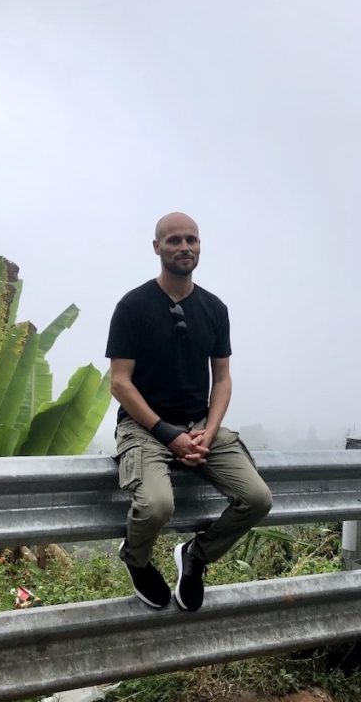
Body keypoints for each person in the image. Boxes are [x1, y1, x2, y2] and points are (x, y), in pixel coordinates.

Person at [106, 212, 273, 612]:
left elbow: (223, 378)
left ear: (200, 246)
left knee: (257, 499)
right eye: (174, 240)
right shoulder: (133, 306)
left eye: (191, 240)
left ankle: (195, 557)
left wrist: (209, 432)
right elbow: (120, 382)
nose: (184, 247)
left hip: (200, 426)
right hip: (145, 428)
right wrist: (168, 434)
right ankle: (137, 560)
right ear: (157, 247)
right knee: (157, 506)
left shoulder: (214, 308)